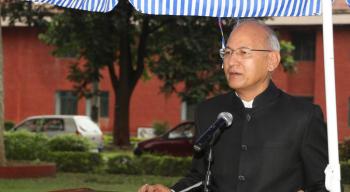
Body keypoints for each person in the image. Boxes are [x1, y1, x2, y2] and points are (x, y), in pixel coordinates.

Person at [138, 19, 328, 192]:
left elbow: (323, 185)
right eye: (227, 52)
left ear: (272, 60)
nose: (232, 61)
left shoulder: (304, 116)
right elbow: (200, 177)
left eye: (243, 52)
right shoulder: (209, 111)